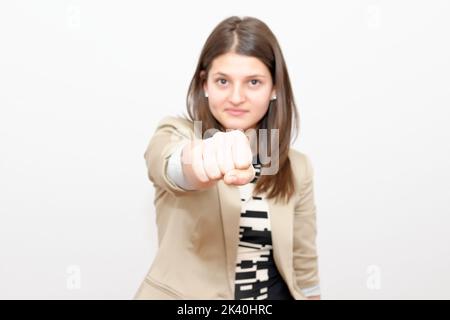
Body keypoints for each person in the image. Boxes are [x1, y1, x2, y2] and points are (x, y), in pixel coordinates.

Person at [134, 16, 320, 300]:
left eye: (253, 82)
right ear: (205, 83)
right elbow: (172, 165)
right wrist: (202, 157)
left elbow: (304, 266)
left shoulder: (297, 167)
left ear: (274, 88)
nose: (236, 97)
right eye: (223, 81)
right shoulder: (176, 134)